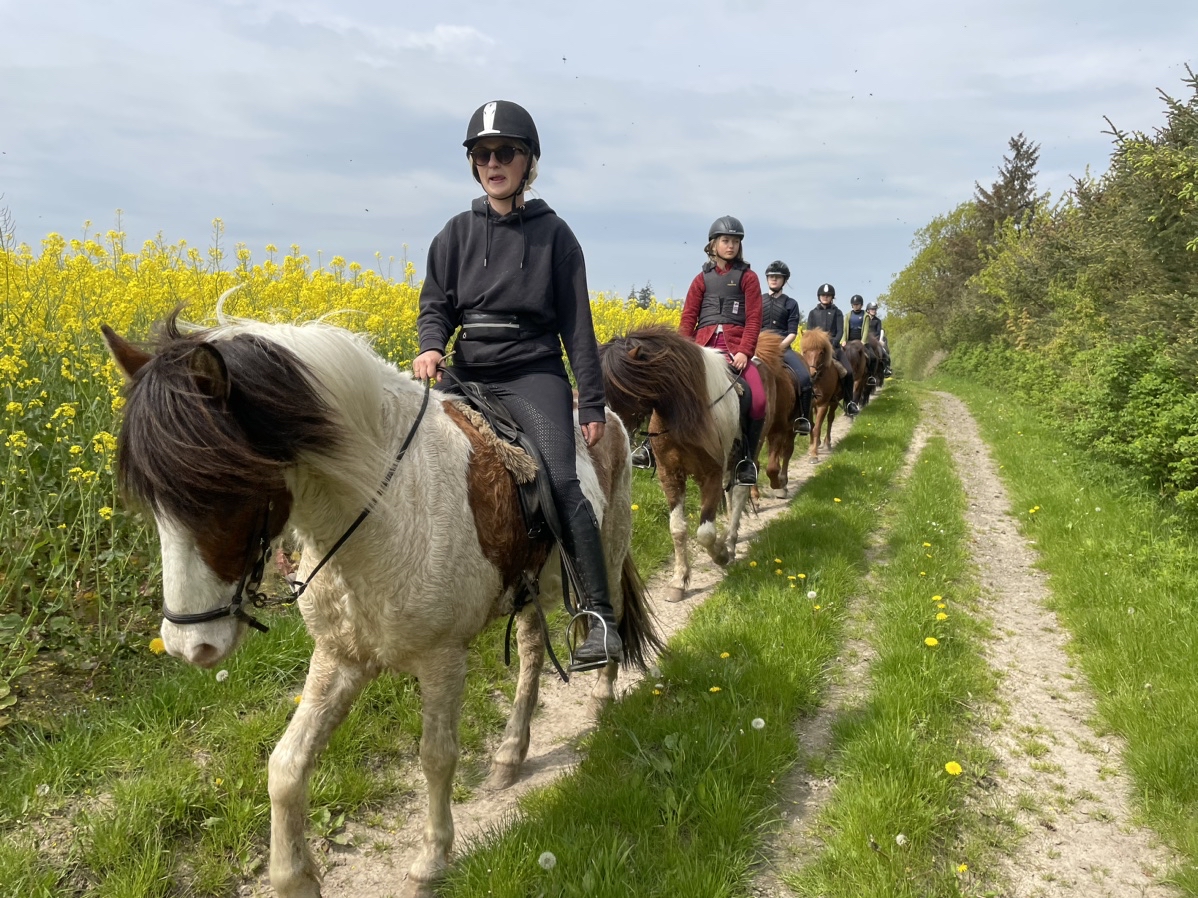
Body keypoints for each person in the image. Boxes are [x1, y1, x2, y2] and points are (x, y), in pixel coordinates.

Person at [413, 100, 621, 673]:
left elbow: (578, 326)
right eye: (482, 154)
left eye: (505, 152)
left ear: (528, 162)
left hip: (533, 372)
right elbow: (436, 305)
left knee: (561, 481)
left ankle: (598, 617)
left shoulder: (557, 236)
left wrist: (593, 399)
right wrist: (432, 344)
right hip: (468, 370)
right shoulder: (454, 234)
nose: (493, 162)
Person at [678, 216, 765, 485]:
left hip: (735, 351)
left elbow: (753, 319)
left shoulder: (748, 278)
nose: (731, 246)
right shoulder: (700, 279)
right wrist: (684, 353)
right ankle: (654, 447)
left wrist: (744, 351)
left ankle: (746, 459)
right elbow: (687, 318)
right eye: (726, 240)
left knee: (758, 399)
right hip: (702, 350)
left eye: (736, 241)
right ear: (713, 244)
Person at [761, 260, 813, 435]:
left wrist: (778, 347)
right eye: (771, 277)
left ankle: (804, 418)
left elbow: (792, 332)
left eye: (778, 277)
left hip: (783, 348)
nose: (774, 279)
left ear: (784, 280)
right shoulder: (758, 300)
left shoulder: (791, 303)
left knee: (805, 378)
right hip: (758, 348)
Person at [805, 283, 861, 416]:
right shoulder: (813, 313)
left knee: (848, 372)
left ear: (832, 298)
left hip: (834, 349)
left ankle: (849, 403)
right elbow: (809, 332)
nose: (825, 297)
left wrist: (832, 344)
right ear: (819, 297)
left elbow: (840, 331)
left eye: (828, 295)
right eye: (823, 295)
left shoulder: (837, 312)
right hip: (816, 351)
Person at [865, 301, 892, 375]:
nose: (874, 311)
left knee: (884, 351)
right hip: (865, 340)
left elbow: (878, 331)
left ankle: (887, 368)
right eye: (872, 309)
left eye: (875, 309)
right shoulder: (864, 320)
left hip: (875, 340)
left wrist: (877, 339)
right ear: (868, 310)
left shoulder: (878, 321)